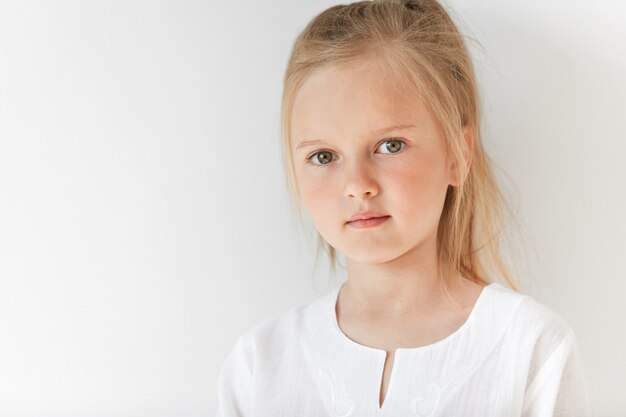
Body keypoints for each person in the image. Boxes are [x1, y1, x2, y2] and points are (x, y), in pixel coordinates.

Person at [215, 0, 593, 415]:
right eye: (324, 156)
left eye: (390, 146)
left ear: (457, 154)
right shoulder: (259, 366)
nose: (358, 186)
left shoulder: (531, 350)